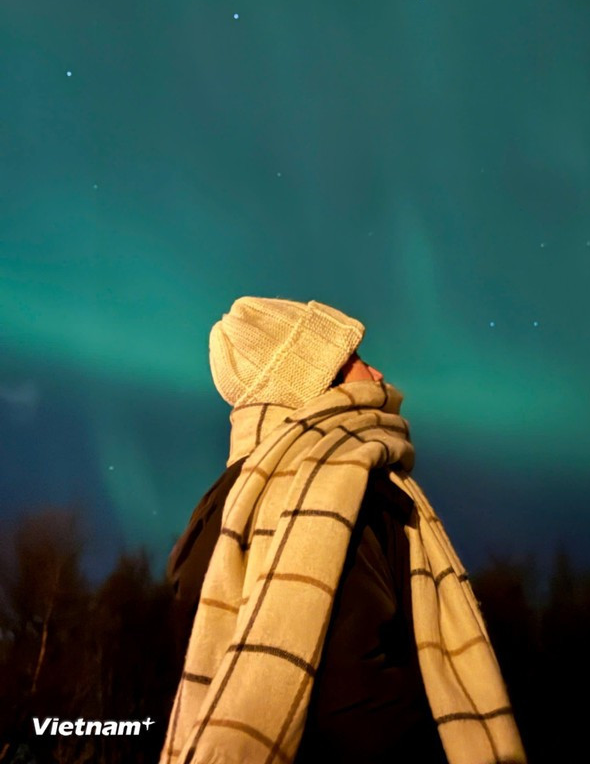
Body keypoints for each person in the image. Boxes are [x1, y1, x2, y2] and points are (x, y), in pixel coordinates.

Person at [160, 297, 526, 764]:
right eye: (359, 363)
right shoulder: (336, 488)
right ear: (314, 381)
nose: (378, 377)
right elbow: (357, 701)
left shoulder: (218, 508)